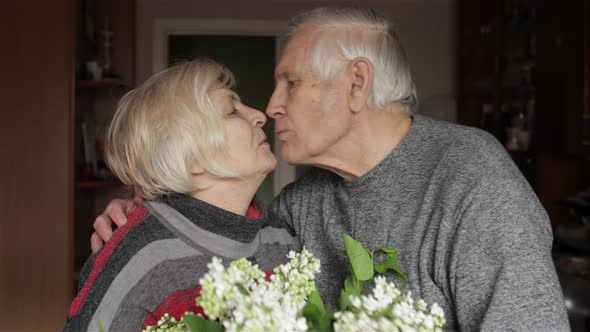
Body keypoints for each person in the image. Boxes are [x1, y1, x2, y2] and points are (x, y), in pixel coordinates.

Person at [92, 7, 570, 331]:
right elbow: (214, 233)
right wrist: (143, 210)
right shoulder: (299, 206)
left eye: (292, 82)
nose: (271, 106)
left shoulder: (474, 181)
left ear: (357, 84)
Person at [66, 59, 300, 331]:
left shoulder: (281, 238)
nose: (259, 115)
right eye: (232, 111)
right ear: (191, 158)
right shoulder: (138, 256)